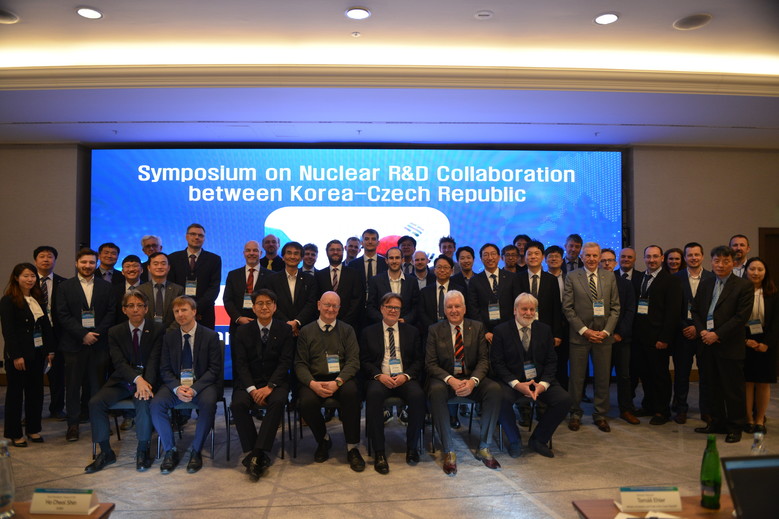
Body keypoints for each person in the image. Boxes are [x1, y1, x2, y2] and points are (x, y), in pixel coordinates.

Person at [84, 291, 164, 473]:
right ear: (124, 310)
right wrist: (137, 379)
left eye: (140, 305)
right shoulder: (115, 332)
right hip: (123, 380)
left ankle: (143, 450)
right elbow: (118, 363)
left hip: (147, 379)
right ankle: (106, 452)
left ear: (146, 309)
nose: (135, 309)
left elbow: (154, 361)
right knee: (96, 402)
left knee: (143, 401)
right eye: (131, 306)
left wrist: (145, 383)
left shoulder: (158, 329)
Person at [426, 290, 502, 475]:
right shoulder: (434, 330)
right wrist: (451, 380)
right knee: (435, 391)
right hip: (446, 380)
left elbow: (483, 360)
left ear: (465, 308)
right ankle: (449, 450)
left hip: (470, 379)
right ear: (444, 310)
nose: (454, 310)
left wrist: (473, 381)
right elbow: (430, 363)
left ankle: (484, 447)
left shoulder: (477, 327)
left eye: (457, 306)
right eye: (449, 307)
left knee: (494, 389)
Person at [492, 293, 572, 458]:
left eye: (532, 309)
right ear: (515, 310)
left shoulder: (544, 330)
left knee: (564, 399)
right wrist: (517, 384)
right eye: (524, 309)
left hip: (539, 381)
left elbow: (551, 361)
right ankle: (514, 440)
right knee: (500, 398)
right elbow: (497, 364)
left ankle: (539, 440)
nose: (528, 313)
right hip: (512, 382)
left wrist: (543, 385)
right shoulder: (501, 331)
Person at [294, 291, 365, 472]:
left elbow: (353, 361)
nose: (330, 309)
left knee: (352, 393)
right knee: (306, 402)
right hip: (315, 380)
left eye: (335, 306)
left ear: (339, 309)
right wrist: (312, 384)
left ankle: (352, 447)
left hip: (341, 379)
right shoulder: (306, 331)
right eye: (327, 304)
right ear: (319, 305)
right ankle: (323, 439)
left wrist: (338, 382)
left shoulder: (347, 330)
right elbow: (300, 364)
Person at [151, 296, 222, 473]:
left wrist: (194, 389)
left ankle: (196, 451)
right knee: (156, 404)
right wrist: (177, 388)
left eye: (184, 310)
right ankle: (170, 451)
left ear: (194, 312)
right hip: (176, 385)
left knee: (209, 403)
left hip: (202, 385)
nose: (180, 314)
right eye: (176, 311)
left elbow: (214, 370)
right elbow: (164, 369)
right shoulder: (169, 338)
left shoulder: (210, 336)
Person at [230, 289, 294, 480]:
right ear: (253, 307)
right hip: (249, 383)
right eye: (260, 303)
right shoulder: (243, 331)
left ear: (275, 307)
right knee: (238, 404)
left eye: (268, 303)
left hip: (275, 382)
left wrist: (270, 386)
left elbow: (285, 362)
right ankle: (256, 453)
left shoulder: (284, 330)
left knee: (278, 401)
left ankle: (257, 453)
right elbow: (240, 364)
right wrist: (252, 389)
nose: (264, 307)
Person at [692, 245, 753, 443]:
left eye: (725, 261)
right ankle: (716, 423)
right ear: (711, 262)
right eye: (717, 261)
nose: (720, 265)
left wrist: (717, 334)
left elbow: (740, 317)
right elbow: (695, 311)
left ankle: (735, 426)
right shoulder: (706, 283)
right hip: (706, 343)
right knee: (711, 387)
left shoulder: (743, 286)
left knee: (732, 389)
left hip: (729, 345)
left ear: (733, 263)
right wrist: (702, 331)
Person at [360, 293, 426, 474]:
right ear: (382, 309)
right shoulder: (368, 332)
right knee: (373, 395)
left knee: (418, 396)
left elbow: (419, 361)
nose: (393, 310)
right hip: (381, 378)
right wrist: (379, 376)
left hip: (404, 378)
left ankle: (412, 447)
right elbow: (364, 361)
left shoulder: (412, 331)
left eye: (396, 308)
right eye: (389, 307)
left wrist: (406, 376)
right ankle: (379, 452)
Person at [56, 248, 116, 442]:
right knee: (73, 387)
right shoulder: (65, 287)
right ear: (76, 264)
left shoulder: (106, 287)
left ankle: (99, 423)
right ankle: (73, 424)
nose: (87, 266)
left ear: (96, 264)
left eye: (91, 262)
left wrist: (95, 334)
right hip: (74, 345)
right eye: (84, 262)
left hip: (98, 344)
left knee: (98, 386)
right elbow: (62, 314)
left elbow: (111, 313)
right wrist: (83, 334)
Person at [562, 242, 620, 433]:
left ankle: (600, 414)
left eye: (595, 255)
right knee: (576, 378)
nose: (592, 259)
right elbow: (568, 308)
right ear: (581, 257)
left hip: (603, 337)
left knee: (602, 377)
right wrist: (585, 330)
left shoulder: (609, 276)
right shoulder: (572, 276)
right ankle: (575, 413)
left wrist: (606, 332)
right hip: (580, 336)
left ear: (600, 257)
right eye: (588, 255)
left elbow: (615, 308)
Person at [1, 263, 55, 447]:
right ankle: (14, 433)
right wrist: (16, 356)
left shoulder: (37, 298)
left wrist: (49, 350)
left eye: (32, 276)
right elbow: (8, 331)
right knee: (15, 395)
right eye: (25, 276)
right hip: (19, 356)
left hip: (37, 353)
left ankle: (33, 429)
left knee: (36, 393)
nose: (30, 279)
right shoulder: (8, 300)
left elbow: (45, 327)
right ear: (16, 278)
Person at [631, 245, 683, 425]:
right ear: (644, 258)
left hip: (658, 338)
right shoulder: (639, 278)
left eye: (655, 256)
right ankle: (649, 405)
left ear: (662, 258)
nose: (651, 260)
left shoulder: (671, 281)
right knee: (645, 374)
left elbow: (673, 313)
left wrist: (664, 338)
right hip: (639, 337)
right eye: (648, 256)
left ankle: (662, 411)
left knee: (660, 376)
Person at [672, 242, 714, 424]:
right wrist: (685, 327)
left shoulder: (712, 278)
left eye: (697, 254)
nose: (693, 258)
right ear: (685, 257)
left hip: (704, 333)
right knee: (681, 374)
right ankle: (681, 409)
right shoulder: (676, 278)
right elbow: (673, 308)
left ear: (702, 256)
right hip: (683, 333)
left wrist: (699, 328)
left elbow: (715, 307)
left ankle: (707, 410)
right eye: (690, 255)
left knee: (706, 374)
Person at [599, 249, 637, 424]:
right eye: (603, 260)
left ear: (615, 263)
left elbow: (630, 310)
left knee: (624, 375)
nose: (607, 263)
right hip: (600, 338)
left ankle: (626, 409)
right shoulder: (593, 283)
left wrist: (620, 333)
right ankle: (601, 410)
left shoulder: (625, 284)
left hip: (620, 338)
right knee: (602, 376)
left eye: (610, 260)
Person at [743, 257, 778, 434]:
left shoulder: (773, 294)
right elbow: (734, 319)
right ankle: (748, 419)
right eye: (752, 269)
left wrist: (766, 344)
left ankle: (759, 420)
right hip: (745, 340)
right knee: (747, 382)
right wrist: (744, 340)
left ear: (766, 272)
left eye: (760, 269)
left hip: (767, 341)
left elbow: (777, 323)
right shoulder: (739, 292)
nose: (756, 273)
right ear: (746, 271)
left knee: (763, 382)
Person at [167, 223, 222, 329]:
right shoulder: (173, 258)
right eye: (193, 234)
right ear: (186, 236)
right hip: (179, 313)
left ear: (204, 239)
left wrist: (195, 309)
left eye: (200, 235)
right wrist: (184, 309)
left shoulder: (214, 259)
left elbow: (214, 288)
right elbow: (171, 286)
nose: (197, 237)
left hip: (204, 313)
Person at [33, 245, 66, 420]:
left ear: (55, 260)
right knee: (33, 376)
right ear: (35, 260)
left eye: (50, 256)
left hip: (57, 334)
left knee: (57, 374)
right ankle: (33, 412)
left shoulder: (64, 283)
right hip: (34, 334)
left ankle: (57, 409)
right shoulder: (29, 282)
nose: (46, 259)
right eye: (42, 256)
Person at [467, 243, 520, 342]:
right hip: (485, 333)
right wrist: (484, 331)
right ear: (481, 258)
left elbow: (517, 304)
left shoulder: (511, 278)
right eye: (486, 255)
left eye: (493, 254)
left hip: (510, 330)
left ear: (499, 257)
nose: (490, 258)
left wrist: (513, 327)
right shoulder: (475, 281)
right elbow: (473, 309)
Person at [263, 241, 318, 336]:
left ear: (301, 258)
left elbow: (311, 303)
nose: (292, 256)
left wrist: (297, 322)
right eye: (289, 253)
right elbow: (270, 303)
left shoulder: (310, 280)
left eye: (296, 253)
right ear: (283, 257)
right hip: (279, 329)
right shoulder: (272, 280)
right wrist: (288, 324)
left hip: (304, 330)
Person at [223, 241, 271, 338]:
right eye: (248, 250)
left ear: (261, 253)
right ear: (244, 253)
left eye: (255, 250)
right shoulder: (233, 275)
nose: (251, 253)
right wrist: (238, 318)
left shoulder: (271, 276)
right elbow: (228, 299)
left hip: (263, 326)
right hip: (238, 327)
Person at [314, 239, 363, 328]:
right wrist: (326, 320)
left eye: (338, 250)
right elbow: (316, 299)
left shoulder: (354, 274)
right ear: (327, 252)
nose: (335, 252)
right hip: (324, 324)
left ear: (343, 251)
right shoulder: (319, 275)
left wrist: (344, 322)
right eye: (332, 250)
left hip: (348, 325)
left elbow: (357, 300)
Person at [367, 247, 420, 324]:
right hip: (382, 325)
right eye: (391, 258)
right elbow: (370, 306)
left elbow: (416, 306)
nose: (394, 261)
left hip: (406, 325)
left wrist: (406, 320)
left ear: (402, 260)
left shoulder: (412, 281)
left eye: (397, 258)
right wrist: (385, 320)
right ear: (386, 261)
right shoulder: (375, 280)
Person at [137, 252, 184, 330]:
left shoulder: (178, 290)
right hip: (146, 332)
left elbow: (181, 314)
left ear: (168, 267)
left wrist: (169, 332)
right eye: (155, 264)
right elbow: (138, 314)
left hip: (172, 333)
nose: (159, 267)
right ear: (149, 268)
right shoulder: (140, 290)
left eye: (163, 264)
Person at [350, 229, 388, 295]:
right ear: (362, 243)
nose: (370, 242)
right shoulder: (353, 264)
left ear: (378, 243)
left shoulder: (385, 263)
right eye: (367, 239)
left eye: (373, 239)